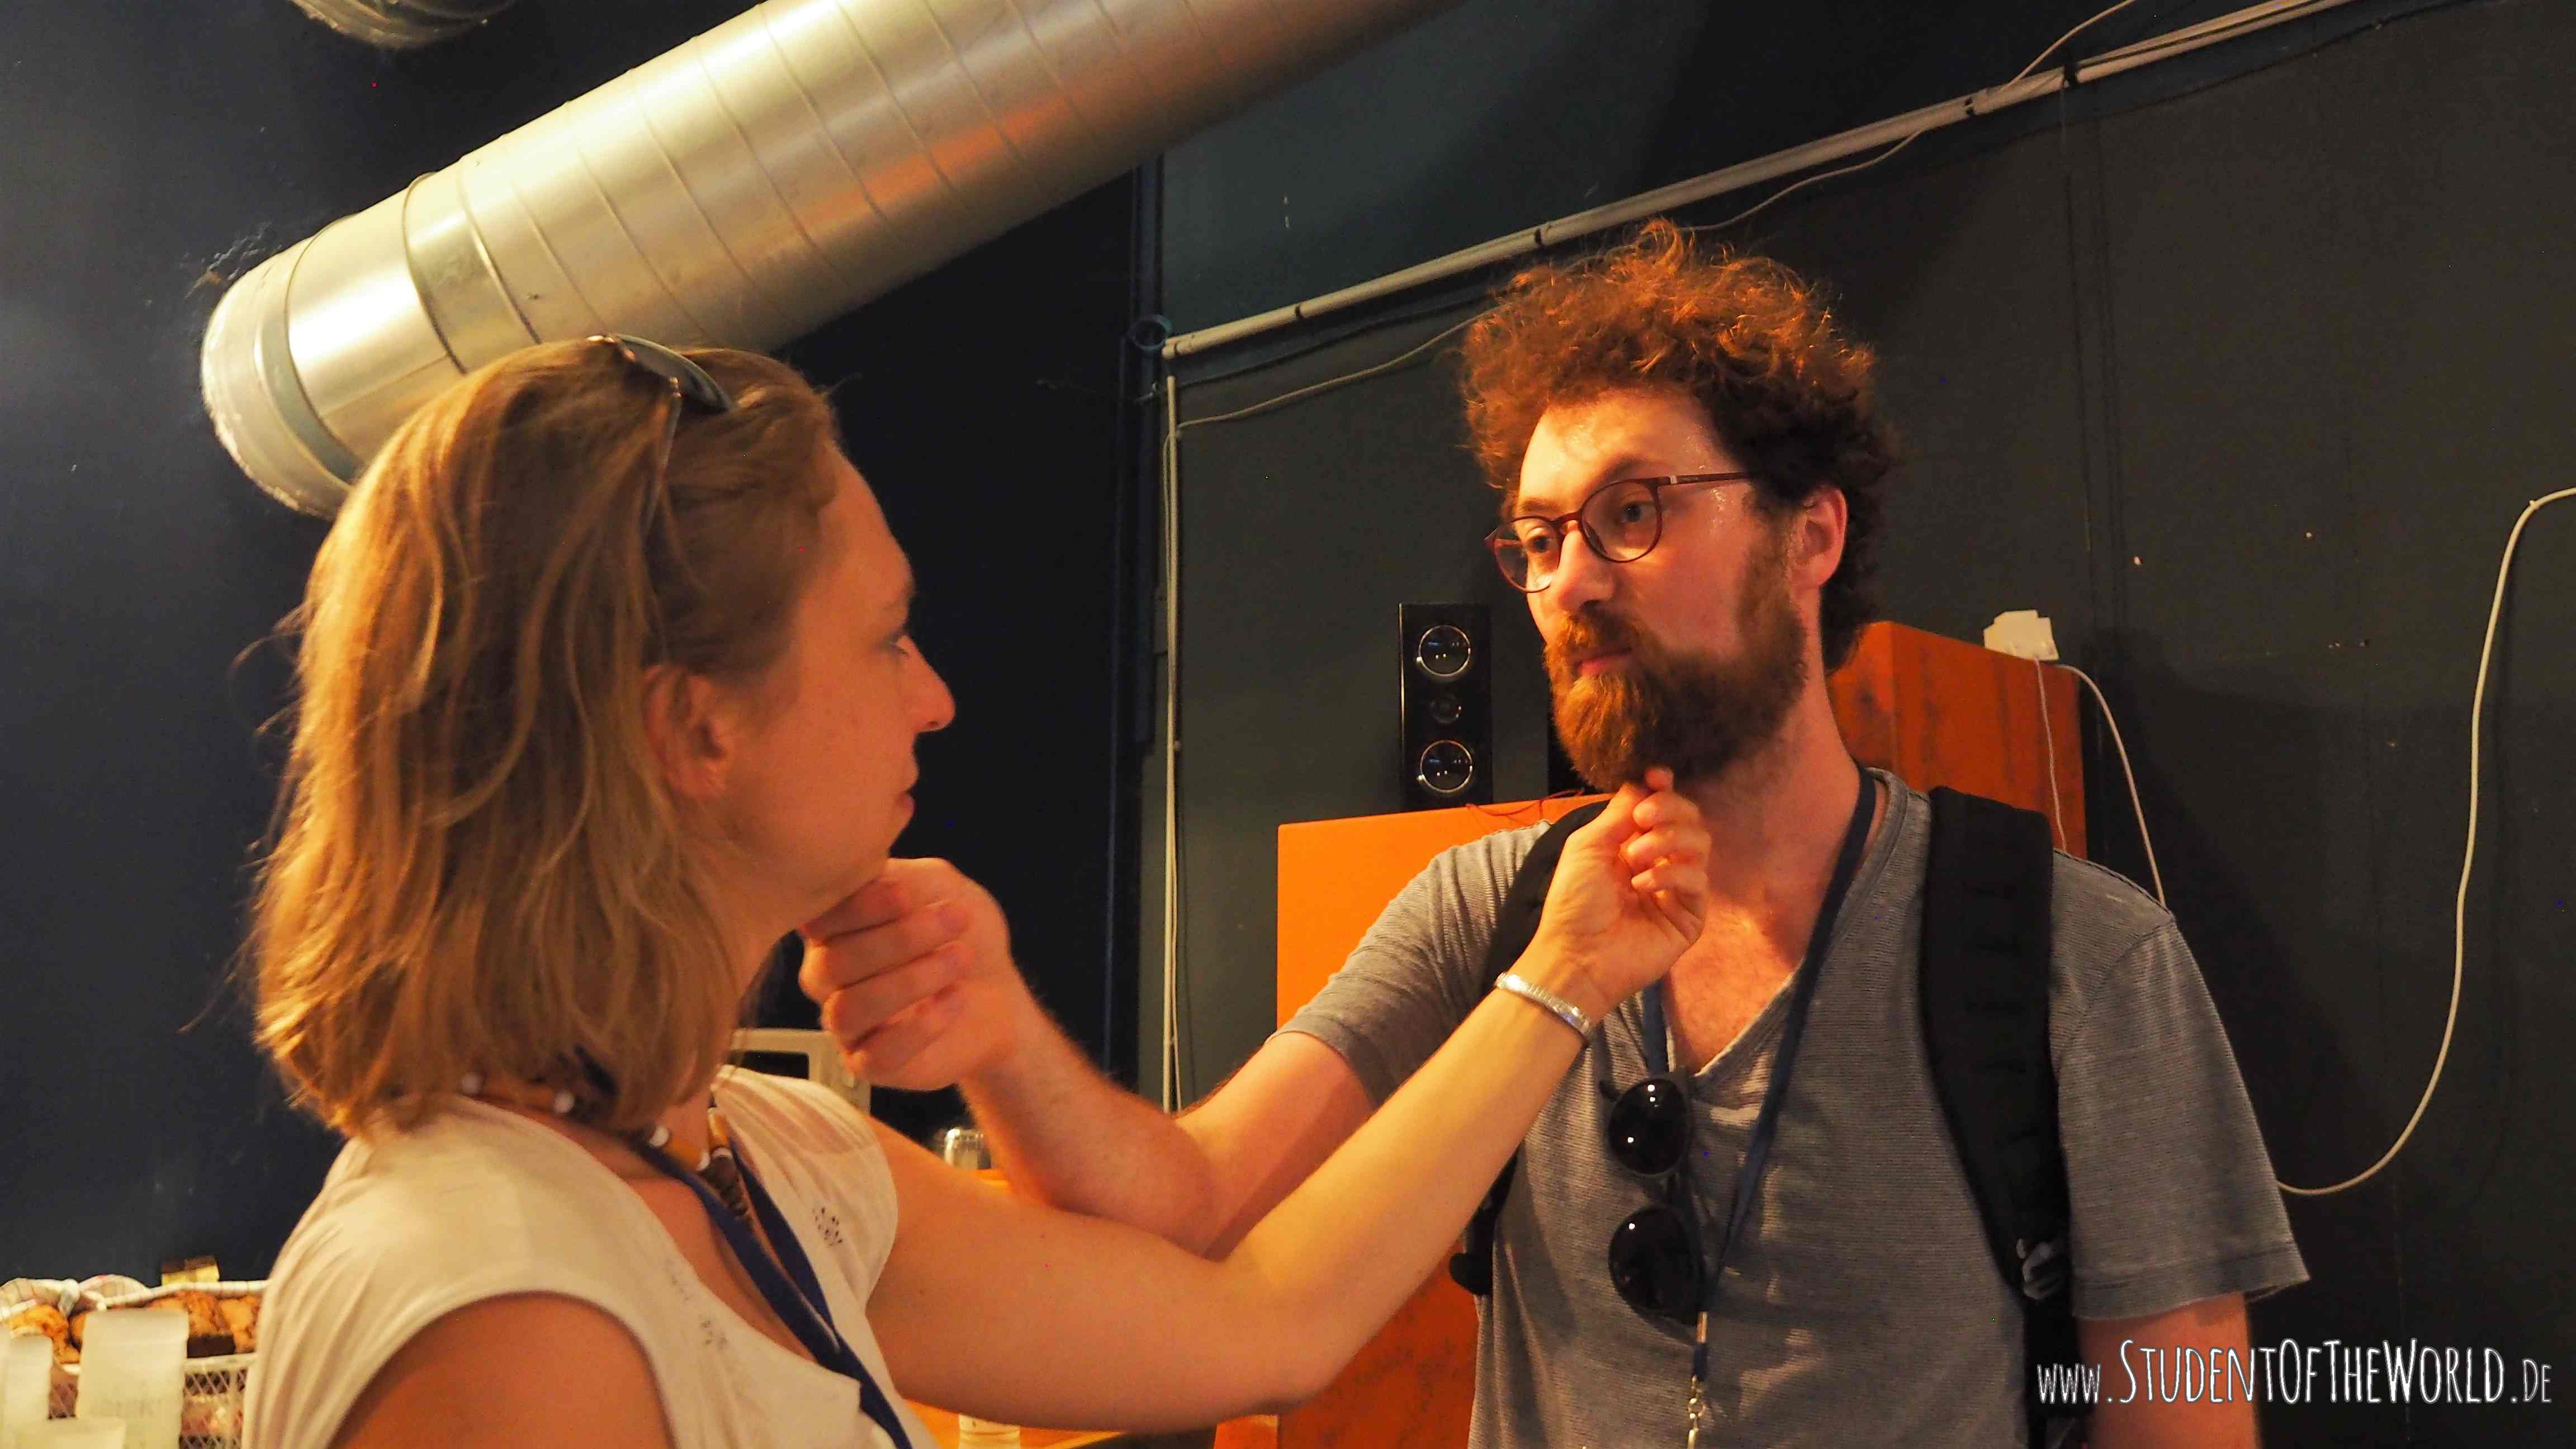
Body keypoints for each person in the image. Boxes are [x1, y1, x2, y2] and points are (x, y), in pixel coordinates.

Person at [802, 220, 2309, 1447]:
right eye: (1539, 537)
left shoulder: (2077, 960)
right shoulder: (1488, 914)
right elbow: (1184, 1210)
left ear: (1811, 534)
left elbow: (2181, 1418)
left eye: (1633, 512)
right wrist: (998, 1028)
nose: (1569, 581)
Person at [235, 334, 1715, 1449]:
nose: (934, 699)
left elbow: (1265, 1325)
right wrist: (1555, 974)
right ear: (695, 727)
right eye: (887, 638)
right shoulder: (505, 1323)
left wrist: (1561, 975)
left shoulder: (770, 1161)